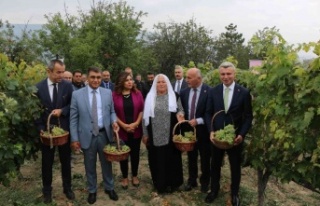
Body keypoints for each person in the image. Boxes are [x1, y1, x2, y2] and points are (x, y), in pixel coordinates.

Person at [204, 62, 253, 206]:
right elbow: (208, 113)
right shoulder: (213, 91)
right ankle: (214, 190)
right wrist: (211, 131)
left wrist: (242, 134)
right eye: (223, 74)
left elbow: (248, 116)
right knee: (215, 165)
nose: (225, 77)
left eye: (228, 74)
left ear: (234, 74)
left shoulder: (243, 92)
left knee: (235, 166)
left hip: (234, 138)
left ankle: (235, 193)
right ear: (220, 75)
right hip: (217, 138)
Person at [70, 66, 120, 204]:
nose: (96, 80)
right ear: (88, 77)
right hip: (87, 135)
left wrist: (114, 121)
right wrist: (74, 138)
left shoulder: (107, 93)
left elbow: (112, 112)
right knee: (89, 165)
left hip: (104, 134)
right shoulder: (77, 95)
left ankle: (109, 187)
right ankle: (92, 190)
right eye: (93, 77)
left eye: (98, 77)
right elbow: (73, 118)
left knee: (107, 164)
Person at [35, 59, 75, 203]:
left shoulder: (68, 86)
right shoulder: (38, 88)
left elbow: (73, 105)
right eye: (58, 72)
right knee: (47, 163)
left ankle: (67, 187)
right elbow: (35, 111)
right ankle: (47, 191)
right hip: (46, 134)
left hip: (63, 132)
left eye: (63, 71)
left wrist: (63, 110)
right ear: (49, 71)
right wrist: (40, 129)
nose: (61, 75)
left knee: (66, 161)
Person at [142, 74, 184, 194]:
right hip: (154, 134)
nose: (161, 84)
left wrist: (180, 114)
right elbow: (145, 118)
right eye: (158, 82)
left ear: (167, 84)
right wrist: (145, 134)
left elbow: (180, 109)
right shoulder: (150, 97)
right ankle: (160, 184)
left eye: (163, 82)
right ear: (155, 84)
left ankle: (174, 183)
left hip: (170, 134)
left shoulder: (174, 96)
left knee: (172, 159)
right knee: (157, 160)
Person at [179, 68, 211, 193]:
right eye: (186, 77)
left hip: (203, 131)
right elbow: (180, 108)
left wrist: (198, 121)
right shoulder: (184, 92)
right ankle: (192, 180)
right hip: (188, 131)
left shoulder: (209, 91)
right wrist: (181, 115)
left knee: (204, 158)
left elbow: (210, 112)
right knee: (191, 156)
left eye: (189, 78)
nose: (186, 80)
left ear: (198, 78)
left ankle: (205, 182)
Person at [112, 72, 144, 189]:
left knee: (135, 154)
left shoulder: (137, 93)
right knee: (123, 154)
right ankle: (125, 177)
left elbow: (141, 110)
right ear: (121, 82)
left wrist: (136, 123)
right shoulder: (114, 95)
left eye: (131, 79)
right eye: (127, 80)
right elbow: (113, 112)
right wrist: (124, 125)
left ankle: (134, 175)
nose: (130, 82)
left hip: (136, 129)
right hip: (122, 130)